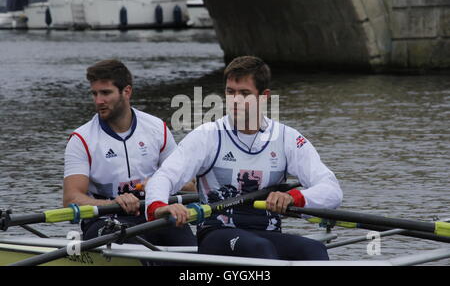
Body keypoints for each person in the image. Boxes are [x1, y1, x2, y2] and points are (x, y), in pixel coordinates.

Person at [145, 56, 343, 260]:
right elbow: (164, 177)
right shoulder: (207, 136)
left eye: (245, 93)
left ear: (264, 96)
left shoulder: (287, 138)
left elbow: (331, 189)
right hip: (217, 235)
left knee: (314, 250)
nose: (235, 100)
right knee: (259, 249)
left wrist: (296, 197)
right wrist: (160, 206)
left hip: (266, 233)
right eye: (230, 92)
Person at [63, 59, 197, 247]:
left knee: (191, 248)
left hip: (152, 213)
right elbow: (71, 199)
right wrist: (112, 203)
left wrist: (161, 181)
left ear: (127, 92)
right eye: (94, 94)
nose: (98, 101)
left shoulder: (157, 128)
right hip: (105, 220)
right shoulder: (82, 139)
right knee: (135, 246)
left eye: (106, 93)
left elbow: (190, 185)